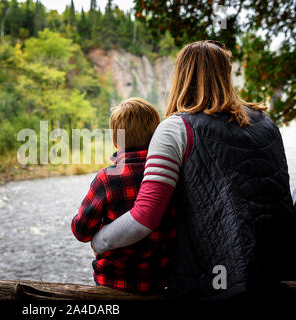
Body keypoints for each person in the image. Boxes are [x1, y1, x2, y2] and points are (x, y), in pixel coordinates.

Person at [91, 41, 296, 299]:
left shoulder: (176, 128)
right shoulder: (265, 122)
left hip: (216, 282)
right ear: (225, 74)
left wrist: (99, 240)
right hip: (278, 270)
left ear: (181, 75)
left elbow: (146, 216)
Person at [71, 98, 177, 295]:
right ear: (156, 136)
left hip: (114, 281)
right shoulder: (170, 174)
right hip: (161, 280)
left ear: (115, 141)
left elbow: (81, 231)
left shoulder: (106, 179)